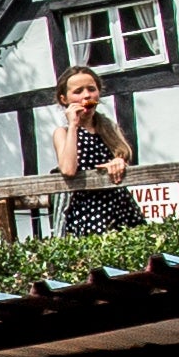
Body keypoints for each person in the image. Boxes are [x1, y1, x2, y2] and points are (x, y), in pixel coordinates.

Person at [52, 69, 141, 234]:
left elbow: (123, 155)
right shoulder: (63, 132)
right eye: (78, 91)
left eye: (91, 89)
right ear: (64, 99)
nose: (86, 96)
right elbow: (68, 169)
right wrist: (73, 125)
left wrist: (119, 161)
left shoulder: (109, 128)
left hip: (120, 207)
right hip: (88, 212)